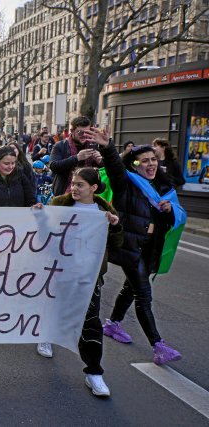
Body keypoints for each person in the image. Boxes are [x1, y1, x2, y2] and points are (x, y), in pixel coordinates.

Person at [88, 130, 183, 365]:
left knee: (130, 289)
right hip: (131, 247)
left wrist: (170, 210)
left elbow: (175, 215)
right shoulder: (126, 184)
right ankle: (158, 345)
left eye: (154, 160)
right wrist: (108, 147)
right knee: (143, 295)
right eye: (145, 161)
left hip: (151, 247)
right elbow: (114, 167)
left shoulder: (164, 188)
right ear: (135, 164)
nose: (150, 164)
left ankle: (112, 324)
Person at [49, 167, 123, 397]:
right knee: (53, 310)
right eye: (72, 183)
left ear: (93, 188)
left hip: (89, 277)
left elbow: (117, 243)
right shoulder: (59, 204)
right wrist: (38, 214)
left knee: (90, 322)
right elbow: (43, 233)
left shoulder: (103, 209)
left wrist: (115, 225)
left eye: (79, 185)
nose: (74, 188)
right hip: (61, 272)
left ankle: (94, 373)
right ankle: (45, 335)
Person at [49, 116, 103, 196]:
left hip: (89, 194)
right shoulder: (60, 145)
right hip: (65, 193)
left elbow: (106, 169)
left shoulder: (94, 145)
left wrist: (100, 162)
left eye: (87, 132)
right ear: (72, 131)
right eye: (80, 132)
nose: (84, 135)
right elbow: (54, 166)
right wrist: (76, 158)